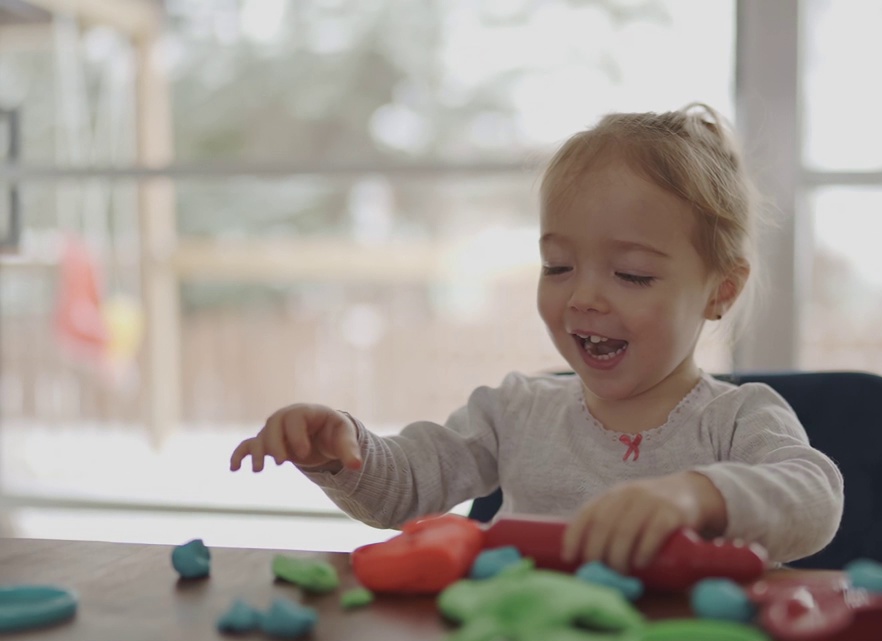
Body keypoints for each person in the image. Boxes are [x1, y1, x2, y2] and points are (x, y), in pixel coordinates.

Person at [231, 103, 843, 572]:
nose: (584, 297)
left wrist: (700, 496)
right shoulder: (515, 412)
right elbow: (405, 490)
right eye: (557, 266)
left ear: (721, 292)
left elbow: (815, 499)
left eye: (631, 274)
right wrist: (342, 451)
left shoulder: (739, 420)